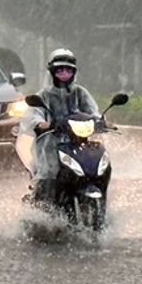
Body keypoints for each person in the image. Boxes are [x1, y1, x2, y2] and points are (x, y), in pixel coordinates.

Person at [20, 48, 100, 204]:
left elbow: (93, 112)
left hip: (79, 145)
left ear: (74, 72)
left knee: (96, 170)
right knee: (48, 180)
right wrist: (44, 124)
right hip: (51, 147)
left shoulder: (80, 93)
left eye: (68, 70)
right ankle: (43, 208)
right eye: (60, 70)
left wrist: (101, 121)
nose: (64, 74)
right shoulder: (43, 96)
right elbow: (33, 116)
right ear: (52, 72)